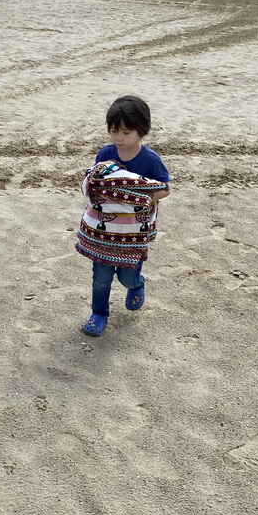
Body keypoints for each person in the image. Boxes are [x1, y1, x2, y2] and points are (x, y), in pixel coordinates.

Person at [79, 95, 171, 337]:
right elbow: (96, 181)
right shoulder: (105, 153)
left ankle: (137, 284)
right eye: (113, 131)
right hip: (105, 231)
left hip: (132, 232)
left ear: (142, 131)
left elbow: (164, 189)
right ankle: (99, 313)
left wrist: (139, 198)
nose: (118, 138)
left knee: (127, 276)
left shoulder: (150, 160)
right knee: (101, 277)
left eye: (126, 132)